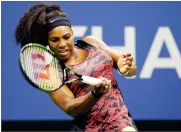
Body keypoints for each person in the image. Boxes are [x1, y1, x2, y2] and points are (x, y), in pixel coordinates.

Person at [15, 3, 138, 132]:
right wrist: (94, 94)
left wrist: (126, 68)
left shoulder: (90, 43)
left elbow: (131, 69)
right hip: (88, 127)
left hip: (119, 119)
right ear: (47, 41)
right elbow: (69, 107)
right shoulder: (50, 71)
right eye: (55, 40)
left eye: (66, 37)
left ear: (72, 33)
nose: (62, 44)